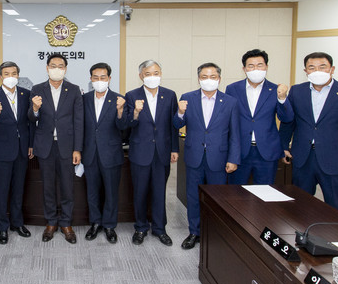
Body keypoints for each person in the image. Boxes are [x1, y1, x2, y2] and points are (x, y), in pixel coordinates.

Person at [279, 52, 338, 213]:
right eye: (311, 68)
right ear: (305, 71)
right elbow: (289, 121)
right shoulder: (297, 91)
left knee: (336, 208)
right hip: (303, 157)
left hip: (335, 159)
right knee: (299, 205)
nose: (317, 71)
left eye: (322, 67)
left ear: (332, 69)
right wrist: (284, 146)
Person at [174, 62, 240, 249]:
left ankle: (215, 233)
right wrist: (180, 112)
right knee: (193, 197)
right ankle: (194, 232)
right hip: (194, 156)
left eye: (213, 77)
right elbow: (176, 125)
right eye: (204, 77)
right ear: (198, 79)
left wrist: (233, 159)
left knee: (217, 198)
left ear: (219, 79)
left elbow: (235, 133)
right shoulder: (187, 98)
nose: (208, 80)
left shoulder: (230, 102)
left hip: (219, 158)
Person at [28, 53, 84, 244]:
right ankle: (51, 222)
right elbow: (31, 118)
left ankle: (66, 223)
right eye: (53, 65)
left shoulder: (74, 90)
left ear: (65, 69)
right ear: (47, 68)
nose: (57, 69)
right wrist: (35, 109)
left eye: (61, 66)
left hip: (67, 147)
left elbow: (79, 121)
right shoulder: (37, 89)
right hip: (46, 146)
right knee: (48, 187)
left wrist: (77, 149)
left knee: (67, 187)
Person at [126, 60, 179, 246]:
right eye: (148, 74)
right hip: (140, 152)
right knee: (140, 192)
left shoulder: (170, 95)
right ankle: (140, 227)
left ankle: (159, 229)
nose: (152, 77)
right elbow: (127, 125)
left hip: (162, 152)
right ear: (141, 76)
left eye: (156, 73)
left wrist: (174, 148)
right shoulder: (132, 95)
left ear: (161, 74)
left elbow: (173, 124)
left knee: (159, 192)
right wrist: (135, 113)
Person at [0, 61, 33, 245]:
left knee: (19, 189)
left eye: (14, 73)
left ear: (18, 75)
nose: (10, 77)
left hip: (22, 150)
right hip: (2, 151)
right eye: (6, 74)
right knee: (2, 191)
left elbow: (30, 122)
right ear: (0, 76)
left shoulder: (26, 94)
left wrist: (31, 144)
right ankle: (2, 227)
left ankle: (17, 223)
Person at [225, 49, 293, 185]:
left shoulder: (276, 89)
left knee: (264, 192)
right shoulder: (232, 89)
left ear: (266, 67)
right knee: (235, 192)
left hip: (267, 152)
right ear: (244, 69)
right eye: (251, 66)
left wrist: (282, 98)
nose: (255, 69)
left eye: (259, 65)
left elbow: (287, 118)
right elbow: (228, 119)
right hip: (240, 151)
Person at [82, 63, 128, 244]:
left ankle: (109, 225)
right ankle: (95, 223)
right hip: (90, 153)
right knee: (92, 192)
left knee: (111, 192)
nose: (99, 80)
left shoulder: (119, 99)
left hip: (111, 153)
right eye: (96, 77)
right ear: (91, 79)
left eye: (103, 77)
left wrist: (120, 111)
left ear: (109, 79)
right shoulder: (84, 99)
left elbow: (124, 127)